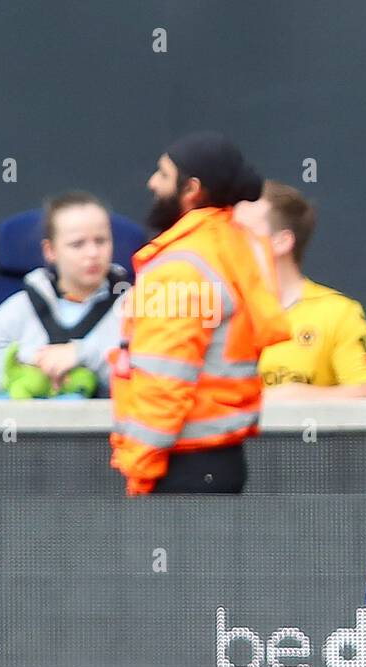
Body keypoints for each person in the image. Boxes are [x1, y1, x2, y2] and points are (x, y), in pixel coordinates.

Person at [109, 132, 289, 495]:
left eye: (162, 174)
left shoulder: (182, 265)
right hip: (219, 460)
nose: (152, 183)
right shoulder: (233, 245)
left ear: (191, 188)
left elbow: (164, 380)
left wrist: (140, 471)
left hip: (180, 468)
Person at [234, 181, 366, 398]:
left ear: (281, 242)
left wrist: (293, 397)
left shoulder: (337, 312)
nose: (227, 242)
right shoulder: (219, 312)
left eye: (241, 233)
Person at [0, 192, 127, 398]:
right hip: (26, 429)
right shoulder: (16, 310)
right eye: (77, 244)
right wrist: (33, 358)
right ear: (50, 250)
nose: (93, 253)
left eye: (101, 241)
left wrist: (85, 355)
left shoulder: (133, 307)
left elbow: (151, 381)